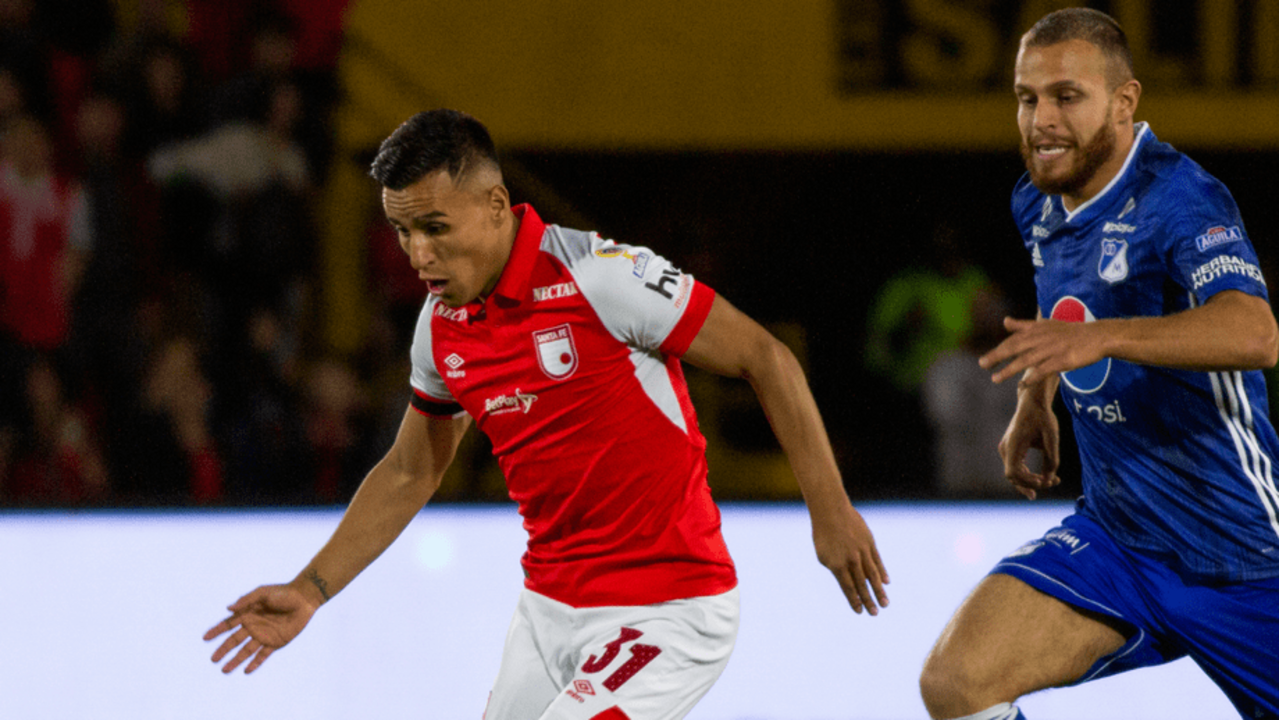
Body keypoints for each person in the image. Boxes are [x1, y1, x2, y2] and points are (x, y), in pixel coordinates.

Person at [204, 108, 889, 719]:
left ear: (495, 205)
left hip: (668, 609)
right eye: (402, 231)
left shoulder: (601, 276)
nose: (417, 254)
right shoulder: (440, 329)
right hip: (548, 611)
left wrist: (830, 511)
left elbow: (765, 358)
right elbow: (411, 471)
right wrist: (310, 590)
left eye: (435, 228)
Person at [918, 9, 1279, 720]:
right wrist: (1036, 395)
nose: (1041, 121)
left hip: (1238, 553)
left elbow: (1254, 332)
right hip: (1118, 542)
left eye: (1066, 97)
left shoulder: (1179, 196)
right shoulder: (1037, 199)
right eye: (1027, 98)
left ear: (1123, 101)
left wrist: (1104, 338)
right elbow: (1067, 301)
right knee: (955, 683)